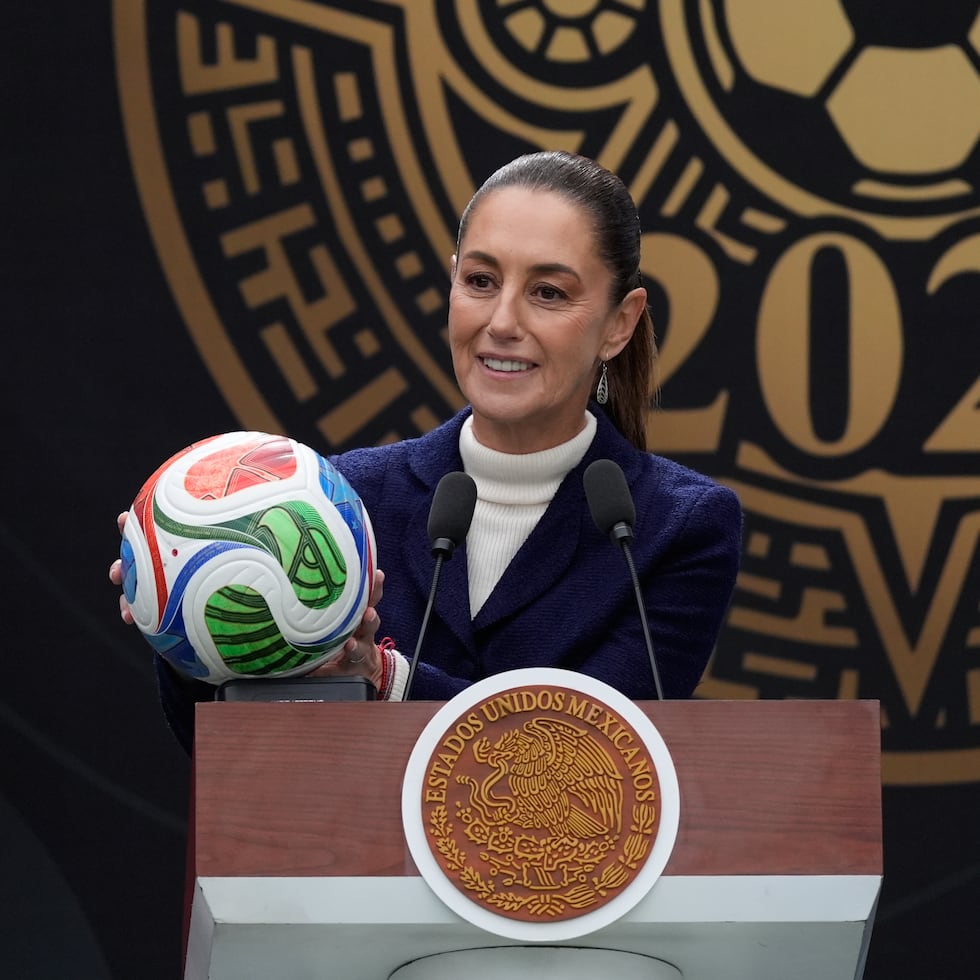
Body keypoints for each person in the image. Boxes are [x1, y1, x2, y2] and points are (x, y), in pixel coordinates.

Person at [110, 150, 742, 751]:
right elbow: (237, 759)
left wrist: (388, 681)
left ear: (619, 324)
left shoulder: (677, 528)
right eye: (480, 280)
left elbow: (596, 759)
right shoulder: (340, 502)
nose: (501, 321)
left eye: (548, 292)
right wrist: (189, 622)